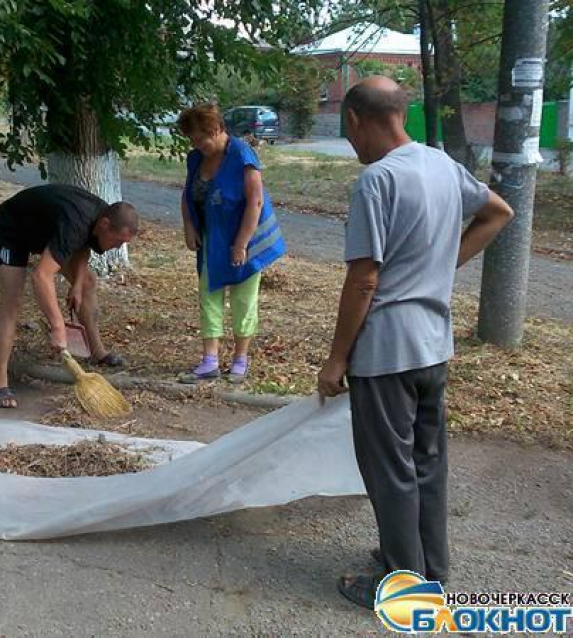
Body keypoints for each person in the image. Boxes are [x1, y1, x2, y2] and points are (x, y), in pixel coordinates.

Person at [316, 77, 514, 609]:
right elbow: (499, 212)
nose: (350, 140)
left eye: (347, 129)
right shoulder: (440, 164)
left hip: (386, 351)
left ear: (355, 119)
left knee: (390, 471)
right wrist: (439, 266)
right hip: (433, 344)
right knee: (427, 462)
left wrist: (336, 359)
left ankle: (408, 587)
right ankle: (431, 567)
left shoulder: (376, 182)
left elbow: (364, 279)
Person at [0, 184, 139, 408]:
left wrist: (77, 285)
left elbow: (83, 245)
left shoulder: (100, 215)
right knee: (12, 301)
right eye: (118, 241)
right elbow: (41, 277)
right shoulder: (78, 222)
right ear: (105, 224)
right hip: (14, 228)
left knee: (88, 282)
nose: (117, 247)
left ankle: (98, 352)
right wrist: (58, 328)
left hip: (46, 232)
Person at [177, 103, 286, 384]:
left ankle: (240, 359)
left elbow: (255, 201)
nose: (196, 144)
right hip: (212, 238)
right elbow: (188, 193)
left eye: (201, 138)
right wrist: (189, 225)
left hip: (245, 238)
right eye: (192, 139)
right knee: (209, 296)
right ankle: (210, 360)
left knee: (243, 299)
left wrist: (240, 244)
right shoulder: (195, 158)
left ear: (216, 129)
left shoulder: (241, 155)